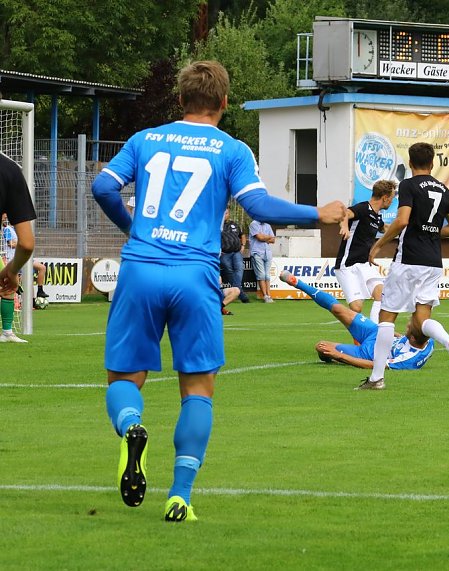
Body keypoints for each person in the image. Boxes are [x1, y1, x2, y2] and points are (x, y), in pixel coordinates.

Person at [90, 60, 346, 522]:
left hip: (141, 269)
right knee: (198, 391)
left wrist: (133, 229)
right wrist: (318, 213)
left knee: (124, 380)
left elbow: (103, 187)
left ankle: (131, 427)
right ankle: (180, 496)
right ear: (224, 103)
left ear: (180, 99)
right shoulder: (231, 149)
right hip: (194, 275)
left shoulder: (144, 140)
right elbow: (259, 205)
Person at [359, 142, 449, 390]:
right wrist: (431, 234)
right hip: (433, 262)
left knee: (386, 317)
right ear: (432, 163)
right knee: (422, 319)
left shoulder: (409, 185)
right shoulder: (444, 189)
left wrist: (378, 245)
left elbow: (402, 221)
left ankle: (377, 378)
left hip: (409, 259)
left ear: (410, 163)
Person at [281, 270, 434, 370]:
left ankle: (333, 358)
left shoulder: (409, 361)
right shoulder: (427, 339)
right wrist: (394, 334)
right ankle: (297, 283)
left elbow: (376, 365)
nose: (408, 323)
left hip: (367, 353)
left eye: (409, 327)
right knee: (338, 309)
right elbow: (407, 336)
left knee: (322, 347)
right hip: (374, 332)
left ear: (413, 336)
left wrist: (339, 355)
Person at [334, 179, 395, 323]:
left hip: (364, 264)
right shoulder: (362, 208)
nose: (392, 201)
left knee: (381, 293)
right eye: (392, 198)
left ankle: (375, 334)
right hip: (347, 264)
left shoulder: (376, 215)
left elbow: (385, 228)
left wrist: (404, 229)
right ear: (385, 197)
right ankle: (358, 337)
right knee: (356, 308)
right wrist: (345, 227)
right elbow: (344, 214)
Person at [0, 153, 37, 343]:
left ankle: (7, 331)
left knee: (6, 287)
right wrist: (13, 270)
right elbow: (27, 243)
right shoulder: (10, 169)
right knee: (6, 280)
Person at [2, 214, 48, 301]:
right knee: (38, 270)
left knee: (34, 273)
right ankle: (28, 298)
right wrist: (22, 242)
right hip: (14, 259)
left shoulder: (15, 230)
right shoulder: (7, 229)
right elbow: (10, 244)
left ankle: (36, 295)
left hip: (22, 257)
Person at [220, 207, 249, 303]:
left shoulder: (234, 224)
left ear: (229, 214)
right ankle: (240, 292)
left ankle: (238, 291)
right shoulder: (217, 225)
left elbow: (242, 235)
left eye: (227, 213)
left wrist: (243, 246)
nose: (225, 215)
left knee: (239, 268)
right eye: (223, 213)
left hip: (237, 251)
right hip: (224, 253)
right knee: (229, 270)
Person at [248, 218, 275, 302]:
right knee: (261, 275)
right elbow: (259, 237)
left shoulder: (268, 225)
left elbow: (273, 240)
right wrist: (268, 237)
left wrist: (265, 237)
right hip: (257, 252)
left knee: (267, 275)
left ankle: (269, 295)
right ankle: (265, 296)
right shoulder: (254, 224)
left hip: (267, 252)